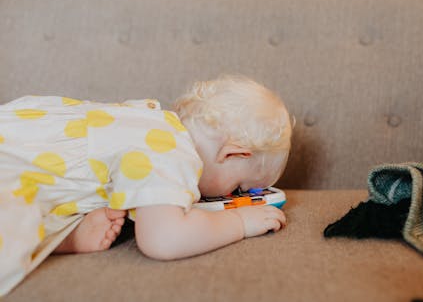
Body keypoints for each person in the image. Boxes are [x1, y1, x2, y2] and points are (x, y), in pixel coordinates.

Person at [0, 75, 292, 295]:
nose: (231, 195)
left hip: (19, 145)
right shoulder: (172, 153)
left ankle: (67, 236)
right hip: (8, 171)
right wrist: (238, 221)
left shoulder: (151, 122)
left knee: (30, 208)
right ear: (233, 153)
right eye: (239, 187)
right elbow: (163, 239)